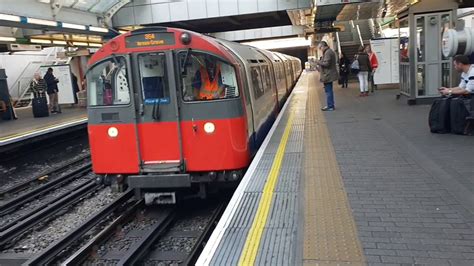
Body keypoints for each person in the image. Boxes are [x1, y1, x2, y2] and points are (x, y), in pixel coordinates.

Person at [316, 41, 338, 111]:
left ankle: (330, 106)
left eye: (320, 48)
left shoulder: (328, 52)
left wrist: (318, 62)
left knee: (328, 91)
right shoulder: (328, 52)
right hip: (327, 74)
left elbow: (326, 64)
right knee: (328, 90)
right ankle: (330, 105)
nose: (320, 49)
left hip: (328, 75)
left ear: (323, 46)